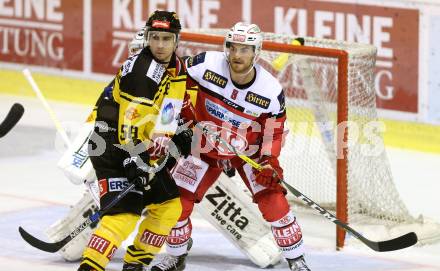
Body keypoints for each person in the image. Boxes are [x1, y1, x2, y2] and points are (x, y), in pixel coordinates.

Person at [151, 22, 311, 271]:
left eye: (245, 50)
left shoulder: (270, 91)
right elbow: (174, 77)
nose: (237, 55)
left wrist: (269, 161)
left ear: (256, 53)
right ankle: (177, 255)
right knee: (175, 202)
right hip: (204, 147)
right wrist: (180, 111)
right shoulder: (206, 64)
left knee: (274, 202)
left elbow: (273, 131)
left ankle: (297, 259)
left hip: (247, 152)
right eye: (233, 48)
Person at [77, 10, 193, 271]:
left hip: (141, 147)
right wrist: (135, 159)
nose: (160, 45)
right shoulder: (142, 74)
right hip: (112, 146)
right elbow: (128, 128)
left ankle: (135, 265)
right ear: (147, 38)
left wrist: (178, 130)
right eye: (155, 38)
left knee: (168, 208)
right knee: (123, 216)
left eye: (166, 38)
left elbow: (168, 110)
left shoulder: (177, 67)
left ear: (177, 40)